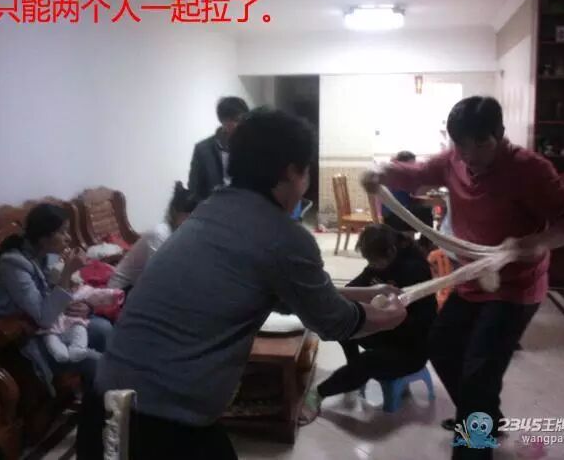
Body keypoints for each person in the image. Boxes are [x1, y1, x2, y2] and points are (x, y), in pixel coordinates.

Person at [91, 110, 407, 459]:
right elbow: (335, 321)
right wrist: (392, 316)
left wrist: (367, 294)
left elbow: (286, 294)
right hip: (159, 423)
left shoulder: (211, 209)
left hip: (105, 405)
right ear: (292, 171)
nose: (305, 184)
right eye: (306, 173)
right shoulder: (283, 236)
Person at [362, 96, 564, 460]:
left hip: (515, 287)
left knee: (479, 373)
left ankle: (474, 445)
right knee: (441, 347)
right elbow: (418, 172)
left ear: (500, 134)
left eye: (480, 144)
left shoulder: (530, 170)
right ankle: (485, 418)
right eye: (461, 145)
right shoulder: (454, 159)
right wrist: (383, 173)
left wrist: (539, 242)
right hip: (472, 279)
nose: (469, 155)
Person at [305, 224, 437, 420]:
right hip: (388, 332)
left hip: (412, 345)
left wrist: (380, 319)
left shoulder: (415, 270)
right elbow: (358, 284)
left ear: (391, 251)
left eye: (374, 261)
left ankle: (319, 394)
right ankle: (353, 372)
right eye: (369, 261)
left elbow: (419, 321)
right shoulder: (383, 260)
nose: (371, 265)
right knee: (345, 322)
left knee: (368, 362)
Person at [0, 204, 112, 395]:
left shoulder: (45, 254)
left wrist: (85, 306)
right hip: (22, 338)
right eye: (62, 232)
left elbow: (58, 294)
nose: (68, 237)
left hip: (51, 325)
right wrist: (68, 271)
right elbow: (43, 317)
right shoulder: (12, 264)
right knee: (98, 362)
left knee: (104, 328)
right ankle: (99, 404)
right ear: (44, 238)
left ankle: (94, 395)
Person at [108, 181, 198, 291]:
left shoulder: (180, 234)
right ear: (175, 212)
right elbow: (158, 276)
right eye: (189, 216)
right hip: (122, 289)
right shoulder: (160, 234)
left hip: (142, 285)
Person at [187, 96, 249, 201]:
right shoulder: (203, 150)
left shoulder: (249, 147)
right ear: (223, 120)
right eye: (236, 120)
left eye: (243, 120)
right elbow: (194, 188)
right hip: (212, 207)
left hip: (243, 206)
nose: (240, 125)